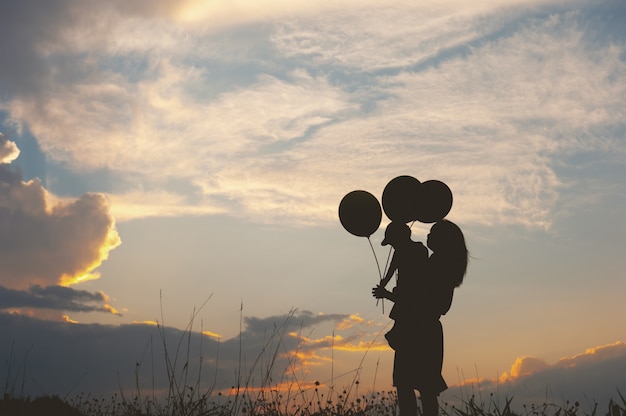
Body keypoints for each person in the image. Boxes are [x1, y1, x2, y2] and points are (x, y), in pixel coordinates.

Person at [373, 219, 468, 416]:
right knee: (426, 389)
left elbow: (414, 299)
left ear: (443, 240)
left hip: (416, 331)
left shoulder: (434, 264)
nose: (428, 235)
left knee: (406, 386)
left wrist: (388, 294)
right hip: (427, 331)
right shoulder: (439, 263)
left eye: (433, 233)